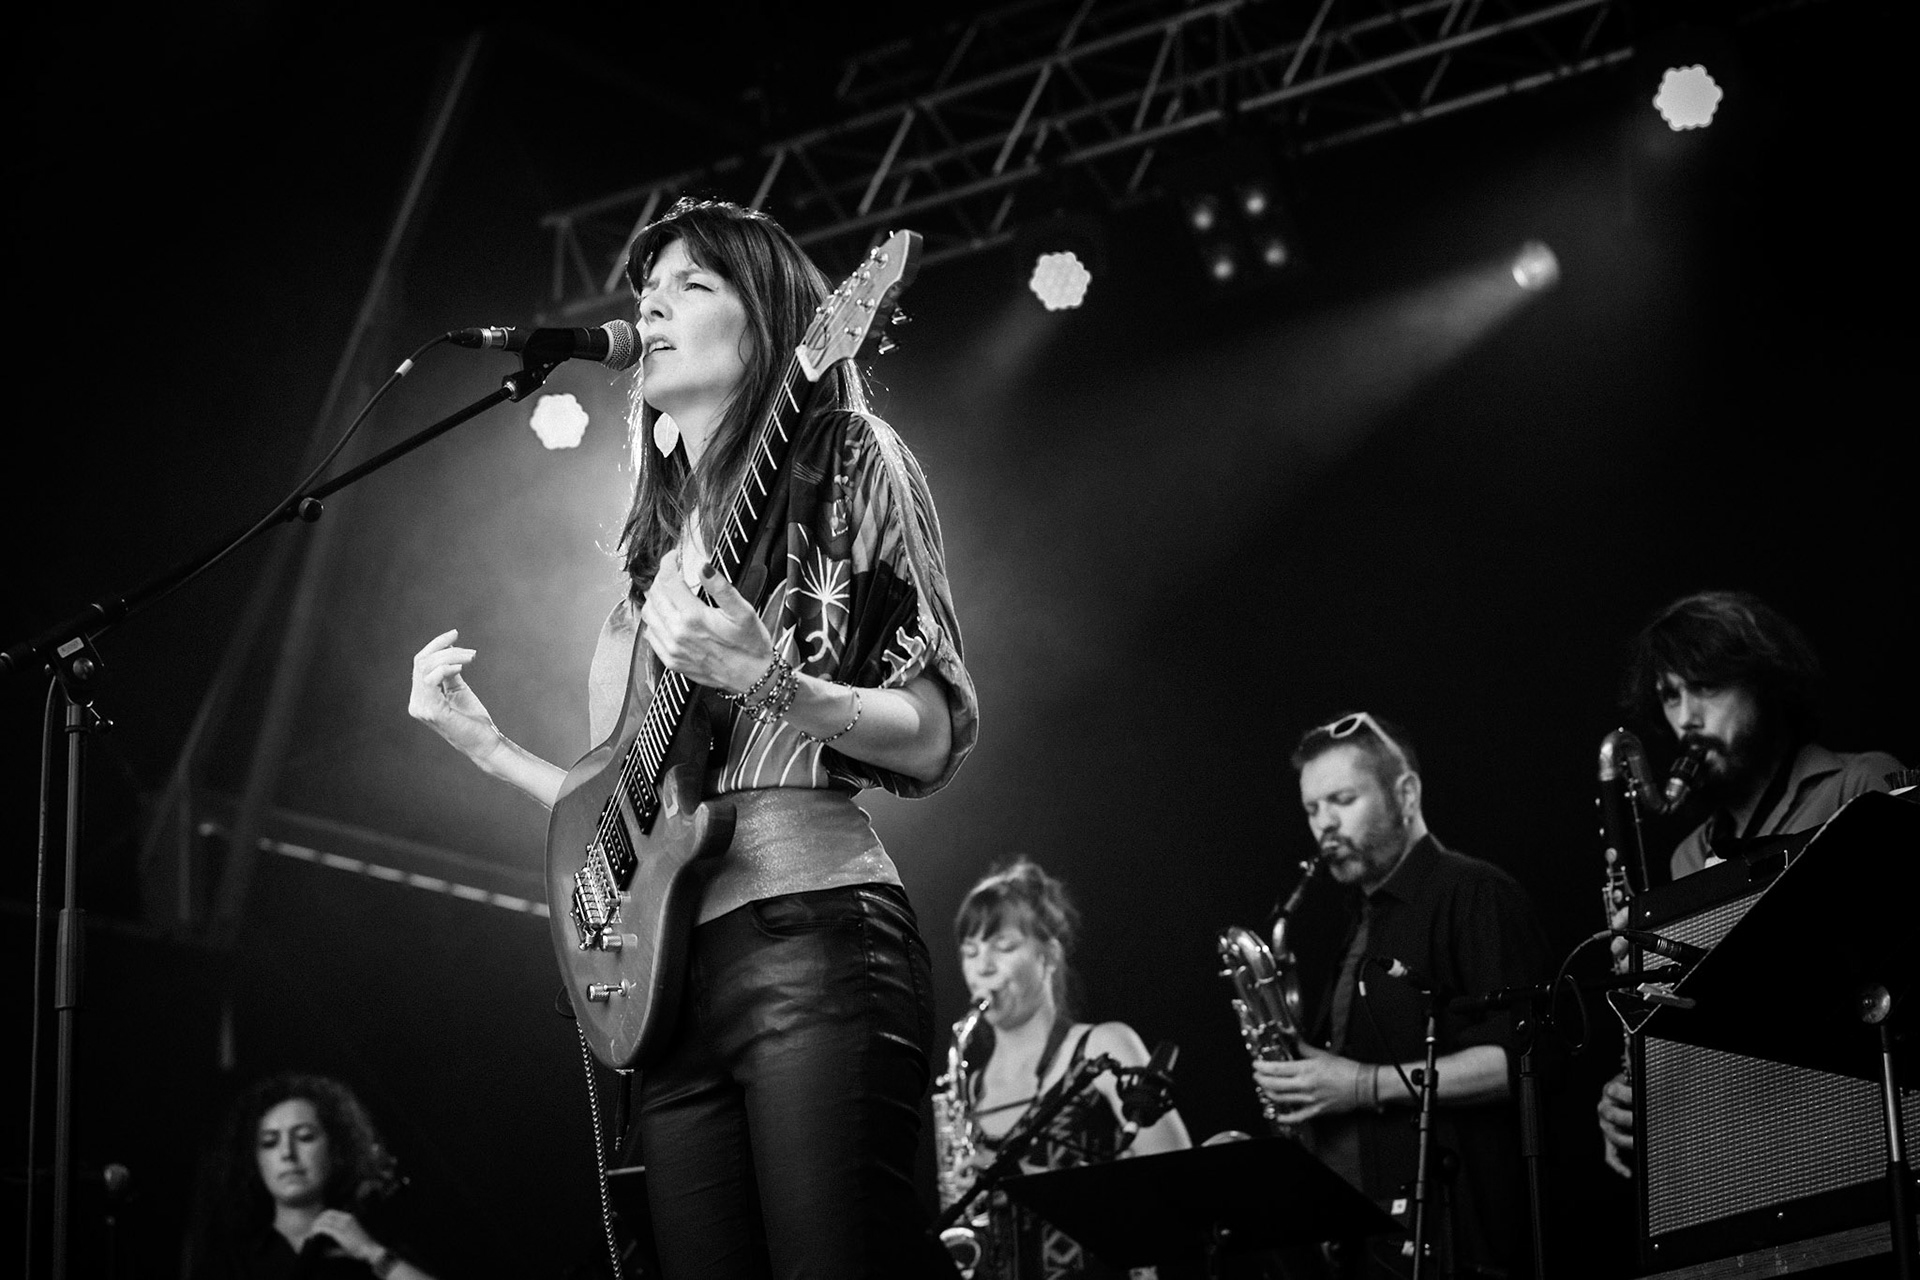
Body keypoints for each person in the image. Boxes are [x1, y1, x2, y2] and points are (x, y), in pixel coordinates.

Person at [408, 198, 978, 1279]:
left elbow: (936, 728)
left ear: (773, 323)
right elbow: (628, 816)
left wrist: (772, 679)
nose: (652, 305)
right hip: (670, 995)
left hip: (808, 941)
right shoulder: (648, 568)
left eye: (691, 284)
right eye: (644, 290)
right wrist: (490, 751)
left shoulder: (847, 457)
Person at [1596, 589, 1905, 1178]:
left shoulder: (1861, 784)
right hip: (1749, 1148)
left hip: (1856, 1129)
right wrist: (1645, 1087)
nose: (1686, 718)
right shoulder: (1690, 854)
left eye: (1707, 686)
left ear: (1768, 683)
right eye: (1669, 695)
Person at [1253, 712, 1547, 1279]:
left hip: (1459, 1245)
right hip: (1373, 1247)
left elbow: (1521, 1062)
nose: (1324, 827)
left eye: (1342, 799)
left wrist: (1359, 1086)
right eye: (1312, 809)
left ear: (1406, 793)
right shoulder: (1363, 920)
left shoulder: (1475, 892)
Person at [949, 858, 1192, 1279]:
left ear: (1049, 955)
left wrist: (1022, 1181)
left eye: (1003, 947)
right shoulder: (968, 1087)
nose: (981, 968)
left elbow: (1181, 1180)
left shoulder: (1103, 1047)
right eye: (970, 952)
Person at [183, 1072, 437, 1280]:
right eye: (270, 1142)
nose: (287, 1153)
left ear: (336, 1149)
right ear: (255, 1160)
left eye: (304, 1137)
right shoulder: (229, 1264)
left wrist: (373, 1253)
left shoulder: (372, 1248)